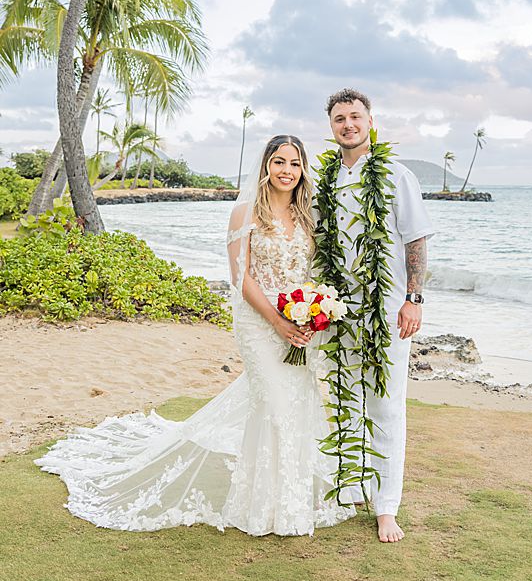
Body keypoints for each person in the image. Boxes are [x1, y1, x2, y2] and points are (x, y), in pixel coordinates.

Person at [36, 134, 356, 536]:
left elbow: (311, 275)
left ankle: (287, 506)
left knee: (293, 408)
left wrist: (312, 314)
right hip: (261, 323)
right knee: (274, 405)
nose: (286, 171)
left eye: (294, 163)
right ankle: (258, 508)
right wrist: (278, 321)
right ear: (266, 166)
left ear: (302, 169)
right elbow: (241, 278)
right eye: (279, 161)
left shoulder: (310, 216)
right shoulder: (245, 214)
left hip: (300, 323)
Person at [321, 88, 435, 543]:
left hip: (388, 312)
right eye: (339, 118)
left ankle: (387, 507)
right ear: (331, 127)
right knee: (347, 401)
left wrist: (415, 298)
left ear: (371, 121)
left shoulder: (395, 175)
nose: (347, 124)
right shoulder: (325, 181)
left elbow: (417, 241)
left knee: (387, 406)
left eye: (355, 116)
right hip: (337, 310)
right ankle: (353, 489)